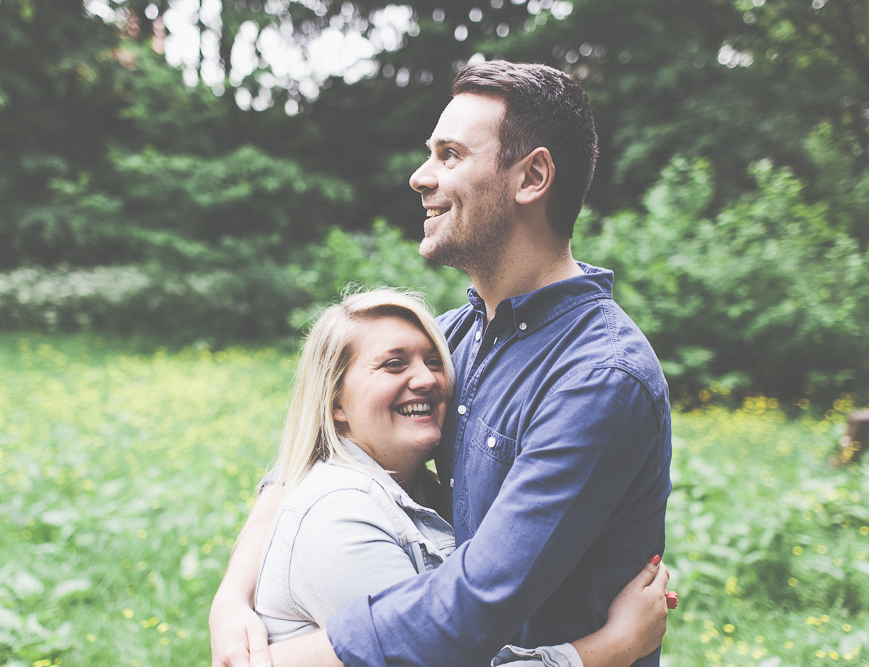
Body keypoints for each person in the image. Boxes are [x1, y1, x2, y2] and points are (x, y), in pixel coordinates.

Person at [210, 60, 672, 667]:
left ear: (532, 176)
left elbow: (471, 606)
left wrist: (277, 663)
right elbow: (310, 449)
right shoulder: (452, 340)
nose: (420, 177)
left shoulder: (598, 377)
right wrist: (232, 596)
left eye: (450, 155)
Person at [249, 288, 669, 667]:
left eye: (435, 362)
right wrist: (615, 646)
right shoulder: (339, 518)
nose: (426, 378)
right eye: (394, 365)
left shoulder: (474, 343)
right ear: (335, 402)